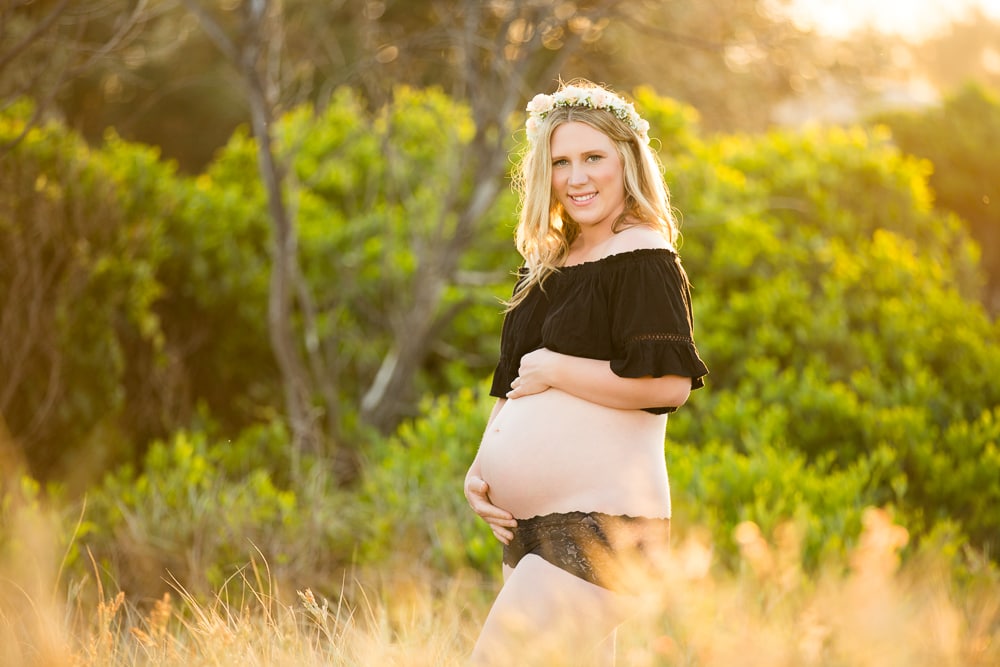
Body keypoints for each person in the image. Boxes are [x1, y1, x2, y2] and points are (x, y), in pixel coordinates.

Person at [463, 79, 709, 666]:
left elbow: (668, 387)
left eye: (593, 157)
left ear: (627, 160)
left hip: (604, 526)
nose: (577, 177)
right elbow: (514, 382)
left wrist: (558, 369)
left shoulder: (643, 255)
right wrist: (480, 467)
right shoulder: (545, 263)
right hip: (530, 527)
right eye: (561, 161)